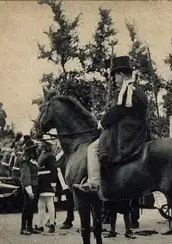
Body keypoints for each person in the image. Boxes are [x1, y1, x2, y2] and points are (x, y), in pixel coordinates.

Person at [73, 56, 150, 196]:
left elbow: (118, 111)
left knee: (93, 148)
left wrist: (102, 122)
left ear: (121, 74)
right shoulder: (138, 89)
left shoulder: (127, 90)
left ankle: (94, 182)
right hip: (140, 131)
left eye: (115, 76)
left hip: (127, 133)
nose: (114, 80)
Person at [35, 141, 58, 233]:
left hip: (47, 181)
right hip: (41, 181)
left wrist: (53, 184)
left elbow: (54, 170)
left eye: (41, 143)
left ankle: (52, 224)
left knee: (49, 203)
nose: (39, 144)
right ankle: (40, 225)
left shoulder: (50, 155)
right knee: (41, 205)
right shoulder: (42, 154)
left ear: (45, 144)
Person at [19, 140, 40, 235]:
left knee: (31, 207)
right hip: (29, 187)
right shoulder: (25, 161)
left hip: (34, 186)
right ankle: (23, 228)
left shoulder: (32, 160)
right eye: (34, 149)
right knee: (26, 208)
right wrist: (29, 190)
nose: (36, 151)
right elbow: (25, 176)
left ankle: (29, 226)